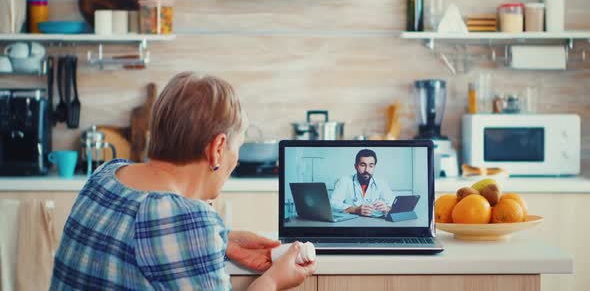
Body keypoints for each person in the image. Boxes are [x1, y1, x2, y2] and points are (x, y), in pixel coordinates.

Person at [50, 73, 315, 290]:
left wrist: (221, 239)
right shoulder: (187, 220)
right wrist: (273, 280)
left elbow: (136, 239)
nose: (236, 161)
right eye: (239, 147)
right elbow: (166, 228)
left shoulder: (105, 175)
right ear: (218, 148)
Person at [330, 149, 395, 217]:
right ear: (356, 166)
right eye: (362, 165)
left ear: (374, 167)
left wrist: (387, 209)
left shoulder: (382, 183)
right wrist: (355, 209)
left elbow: (394, 206)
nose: (367, 170)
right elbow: (332, 204)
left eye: (371, 166)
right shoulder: (344, 181)